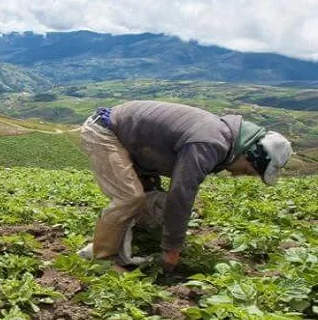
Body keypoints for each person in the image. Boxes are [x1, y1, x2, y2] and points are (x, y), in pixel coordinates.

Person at [79, 100, 292, 271]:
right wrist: (172, 250)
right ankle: (103, 259)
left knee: (155, 207)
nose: (240, 175)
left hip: (138, 150)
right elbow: (181, 194)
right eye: (247, 171)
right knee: (130, 197)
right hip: (105, 131)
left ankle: (128, 241)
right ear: (249, 154)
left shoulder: (222, 143)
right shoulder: (210, 144)